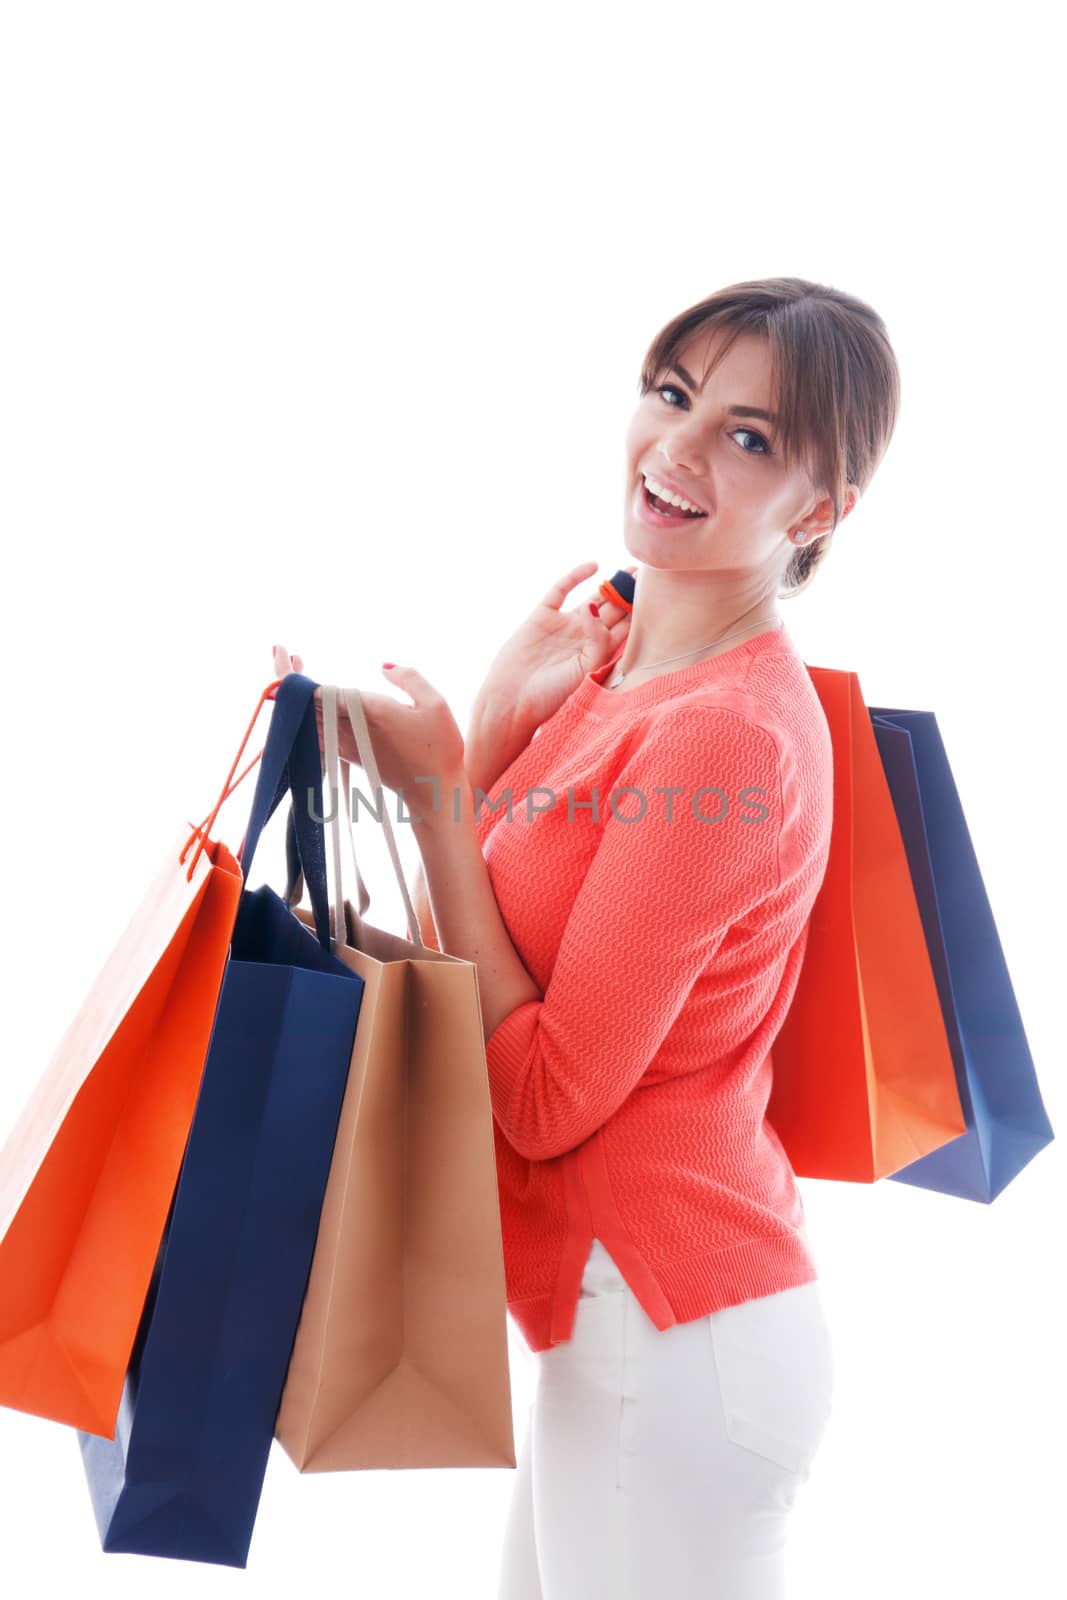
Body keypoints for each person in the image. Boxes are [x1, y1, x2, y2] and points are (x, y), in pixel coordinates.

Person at [273, 274, 901, 1598]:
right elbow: (500, 951)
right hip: (622, 1339)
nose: (676, 447)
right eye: (673, 395)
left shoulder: (724, 730)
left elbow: (545, 1093)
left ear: (822, 511)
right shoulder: (615, 670)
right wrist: (499, 734)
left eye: (750, 438)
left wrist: (442, 789)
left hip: (669, 1338)